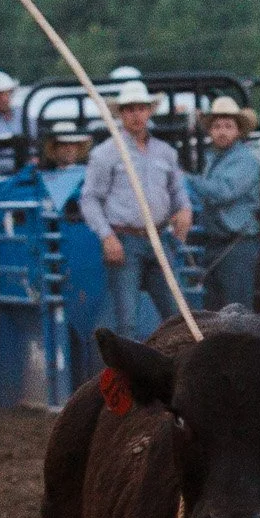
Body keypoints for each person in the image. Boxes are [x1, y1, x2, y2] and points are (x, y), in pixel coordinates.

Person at [79, 80, 193, 338]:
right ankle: (129, 375)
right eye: (130, 109)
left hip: (160, 237)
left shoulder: (165, 153)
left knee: (177, 315)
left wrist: (184, 209)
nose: (136, 115)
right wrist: (107, 236)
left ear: (149, 111)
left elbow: (177, 190)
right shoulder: (106, 153)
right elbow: (90, 199)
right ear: (121, 113)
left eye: (141, 108)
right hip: (125, 240)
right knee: (127, 320)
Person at [187, 96, 260, 311]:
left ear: (238, 131)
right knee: (217, 307)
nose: (222, 131)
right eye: (217, 126)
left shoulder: (245, 160)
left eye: (228, 126)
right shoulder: (214, 158)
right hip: (219, 241)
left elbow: (223, 193)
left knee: (235, 308)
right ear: (210, 131)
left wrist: (188, 180)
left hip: (236, 242)